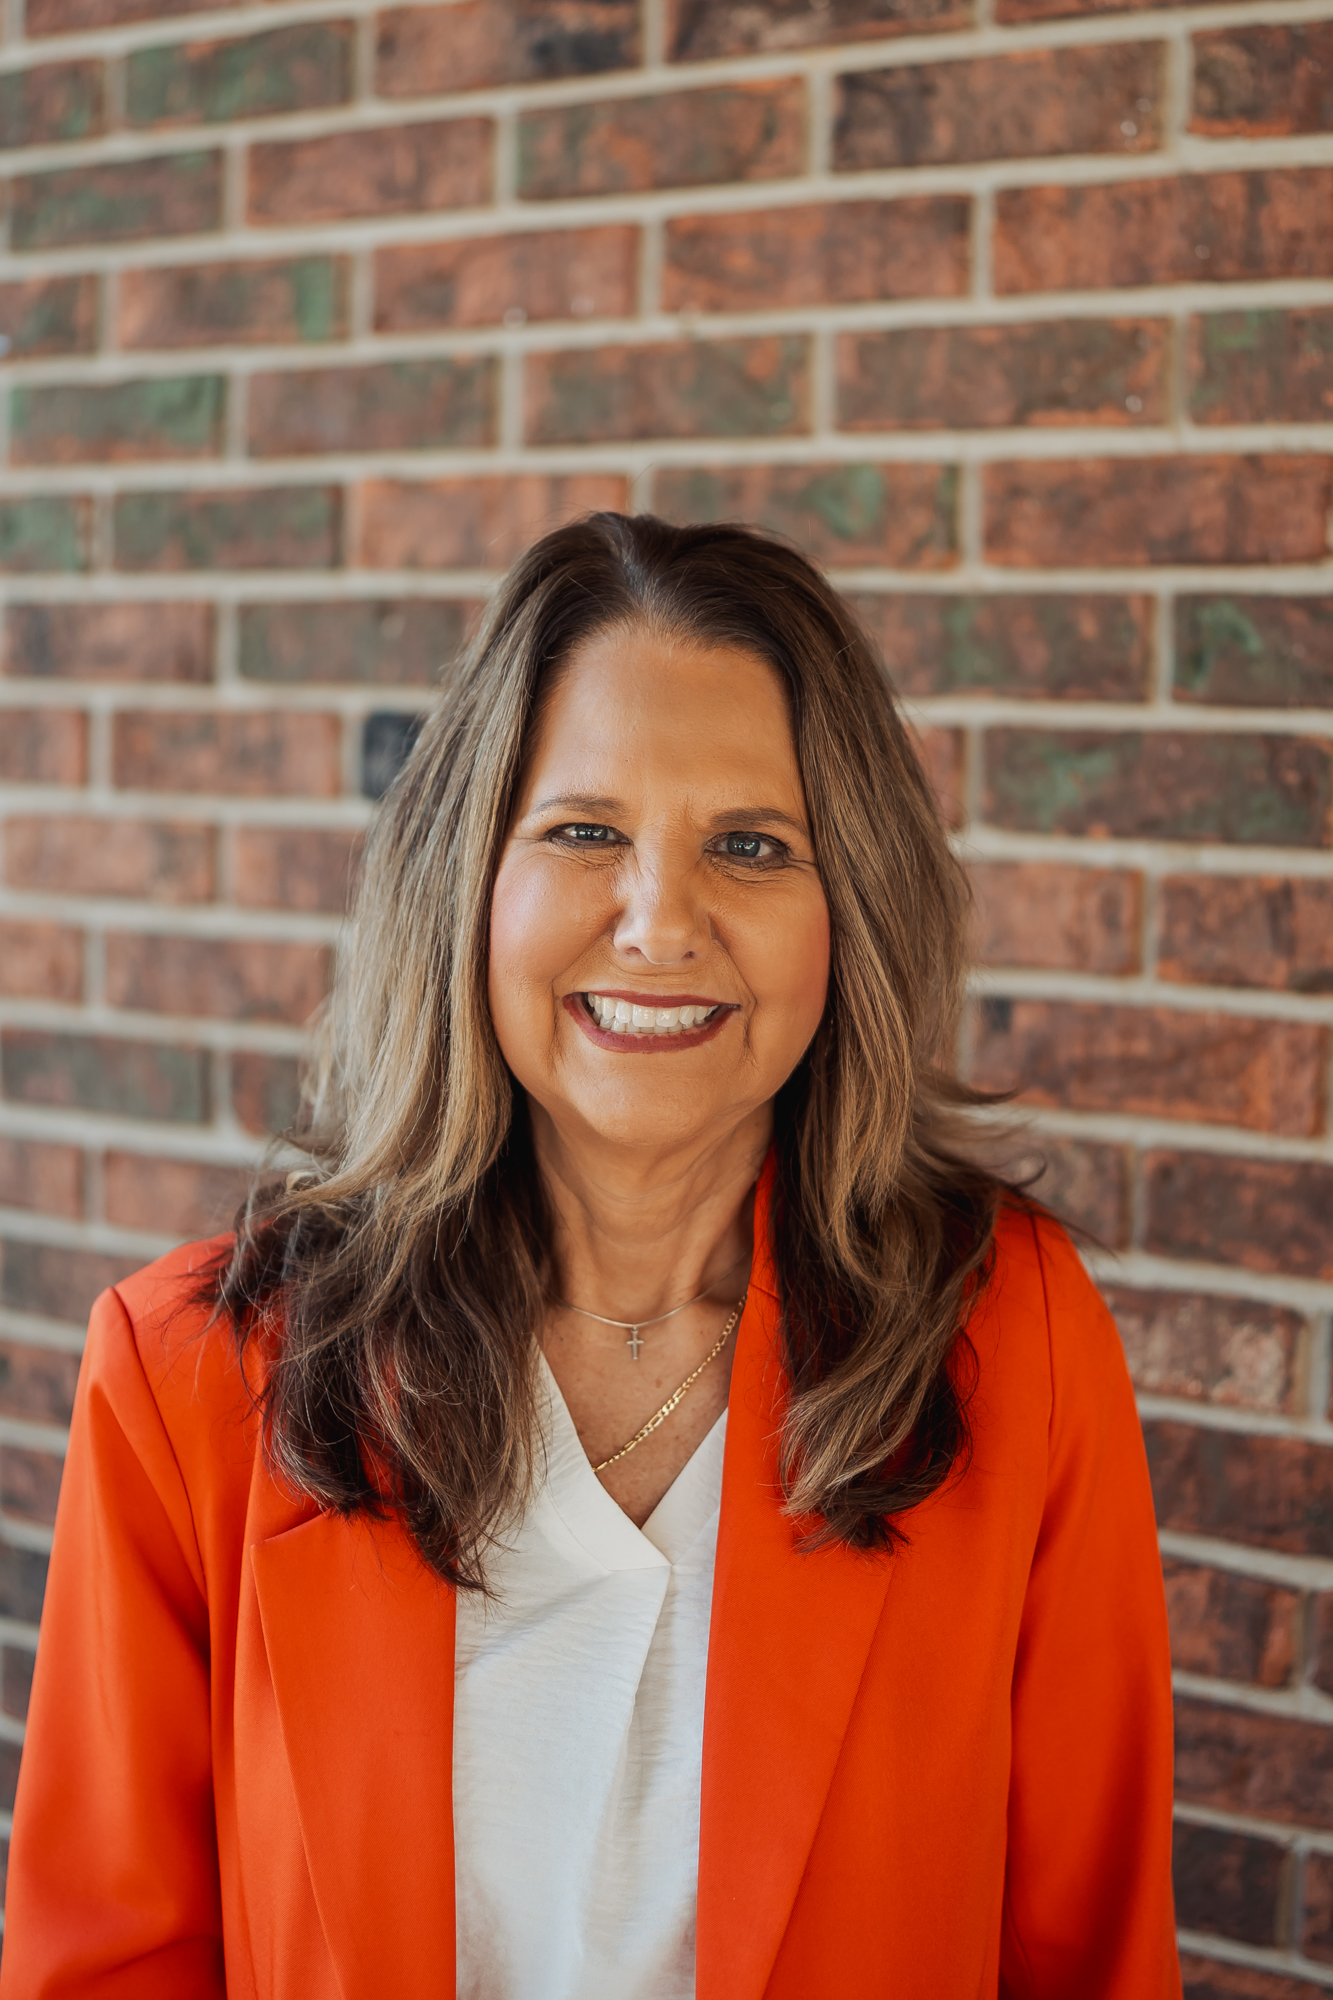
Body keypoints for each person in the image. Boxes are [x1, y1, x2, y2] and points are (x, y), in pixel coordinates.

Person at [2, 513, 1181, 2000]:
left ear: (848, 914)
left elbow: (1087, 1956)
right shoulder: (187, 1379)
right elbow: (107, 1967)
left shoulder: (1015, 1339)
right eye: (583, 832)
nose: (657, 921)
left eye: (748, 846)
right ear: (467, 885)